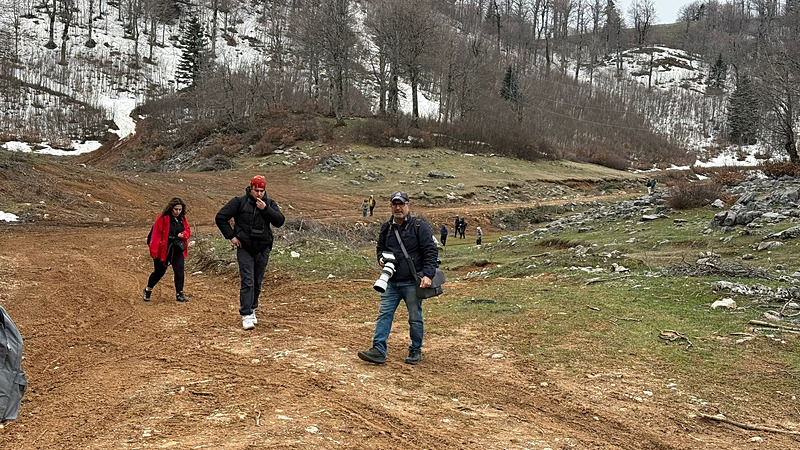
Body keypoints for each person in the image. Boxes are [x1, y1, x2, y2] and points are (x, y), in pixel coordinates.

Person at [358, 191, 438, 365]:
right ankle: (378, 350)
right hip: (391, 282)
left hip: (412, 282)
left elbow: (430, 252)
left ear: (408, 205)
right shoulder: (386, 228)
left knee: (415, 317)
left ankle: (415, 349)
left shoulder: (419, 226)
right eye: (394, 204)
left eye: (401, 204)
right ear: (390, 206)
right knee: (384, 314)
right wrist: (381, 259)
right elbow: (380, 248)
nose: (398, 208)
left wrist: (428, 275)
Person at [215, 175, 285, 330]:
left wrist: (266, 209)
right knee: (248, 281)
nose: (259, 194)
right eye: (256, 190)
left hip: (263, 248)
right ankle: (246, 314)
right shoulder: (239, 202)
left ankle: (252, 308)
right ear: (251, 188)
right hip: (245, 247)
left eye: (261, 191)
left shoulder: (269, 203)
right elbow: (221, 217)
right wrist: (231, 236)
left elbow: (279, 221)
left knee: (257, 281)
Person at [144, 198, 191, 302]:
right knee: (159, 272)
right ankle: (148, 289)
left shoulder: (182, 218)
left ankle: (179, 293)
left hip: (177, 249)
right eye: (176, 209)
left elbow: (187, 230)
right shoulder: (162, 218)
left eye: (180, 209)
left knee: (179, 271)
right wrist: (154, 252)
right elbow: (155, 235)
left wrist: (183, 235)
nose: (178, 212)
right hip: (163, 250)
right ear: (171, 208)